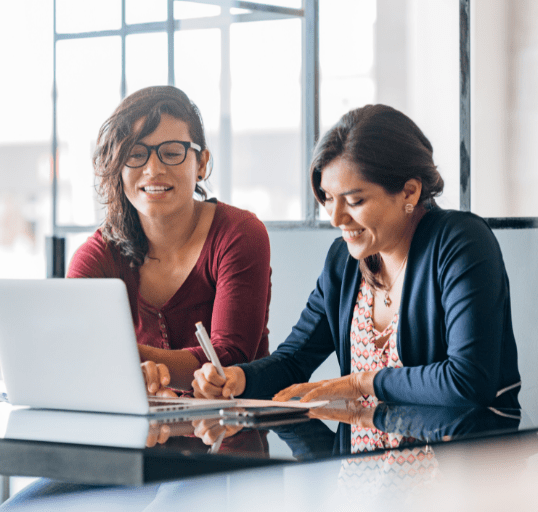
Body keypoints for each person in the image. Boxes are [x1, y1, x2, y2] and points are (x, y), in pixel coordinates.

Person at [193, 104, 521, 409]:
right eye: (328, 198)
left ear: (409, 191)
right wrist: (239, 378)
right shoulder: (344, 260)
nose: (336, 218)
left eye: (355, 201)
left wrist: (362, 383)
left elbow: (467, 381)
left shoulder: (460, 242)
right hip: (360, 465)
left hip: (462, 465)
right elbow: (295, 360)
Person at [67, 85, 272, 395]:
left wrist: (124, 361)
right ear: (118, 168)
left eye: (172, 152)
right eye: (135, 154)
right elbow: (72, 350)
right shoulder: (98, 255)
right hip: (139, 435)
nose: (153, 169)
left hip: (232, 432)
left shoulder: (239, 234)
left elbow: (227, 358)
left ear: (201, 164)